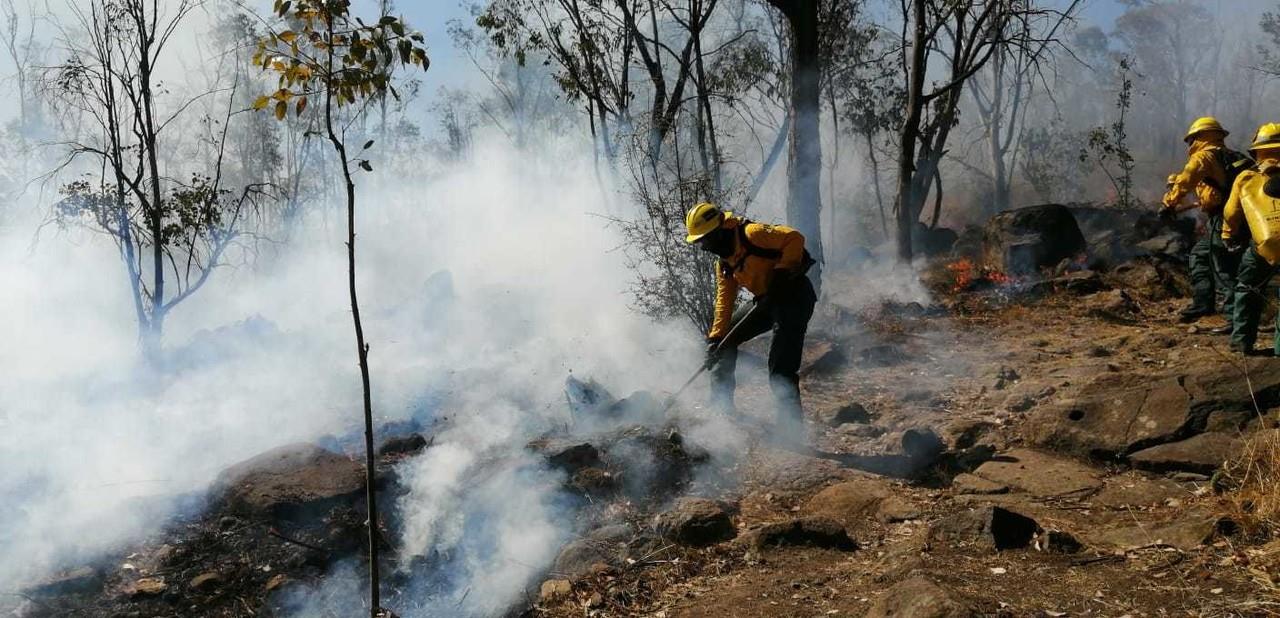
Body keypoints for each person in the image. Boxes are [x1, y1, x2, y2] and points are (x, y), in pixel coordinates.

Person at [683, 202, 816, 430]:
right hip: (766, 302)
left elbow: (794, 238)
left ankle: (792, 429)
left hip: (794, 299)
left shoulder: (752, 234)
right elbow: (724, 301)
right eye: (699, 242)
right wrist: (715, 338)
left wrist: (783, 272)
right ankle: (720, 406)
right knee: (725, 342)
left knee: (780, 369)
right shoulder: (724, 263)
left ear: (719, 231)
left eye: (705, 239)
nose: (704, 246)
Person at [1162, 117, 1249, 329]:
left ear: (1199, 137)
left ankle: (1234, 319)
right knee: (1200, 255)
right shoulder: (1232, 156)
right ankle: (1203, 303)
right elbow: (1216, 192)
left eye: (1191, 140)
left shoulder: (1204, 156)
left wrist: (1169, 204)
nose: (1189, 145)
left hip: (1224, 219)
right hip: (1240, 217)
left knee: (1224, 267)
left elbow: (1186, 179)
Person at [1221, 123, 1280, 355]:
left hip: (1261, 247)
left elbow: (1230, 212)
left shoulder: (1246, 177)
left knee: (1247, 288)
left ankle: (1241, 343)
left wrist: (1228, 235)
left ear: (1257, 151)